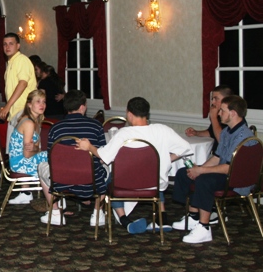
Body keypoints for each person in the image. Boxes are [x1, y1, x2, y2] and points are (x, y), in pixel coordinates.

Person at [75, 97, 192, 234]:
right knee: (154, 175)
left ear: (129, 114)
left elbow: (104, 156)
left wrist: (89, 147)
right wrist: (164, 159)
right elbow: (186, 148)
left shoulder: (124, 134)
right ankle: (162, 219)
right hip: (154, 184)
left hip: (126, 185)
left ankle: (124, 220)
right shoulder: (162, 130)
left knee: (112, 178)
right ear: (147, 113)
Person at [172, 95, 255, 244]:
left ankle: (204, 228)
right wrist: (199, 168)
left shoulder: (242, 136)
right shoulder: (227, 132)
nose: (218, 114)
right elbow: (217, 157)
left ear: (233, 113)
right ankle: (194, 216)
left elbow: (230, 168)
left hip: (238, 180)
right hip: (227, 173)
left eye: (222, 111)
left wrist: (201, 171)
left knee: (204, 180)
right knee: (184, 173)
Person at [37, 90, 107, 226]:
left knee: (41, 166)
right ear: (82, 107)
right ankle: (97, 213)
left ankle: (55, 213)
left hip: (61, 181)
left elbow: (51, 158)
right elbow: (102, 156)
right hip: (91, 182)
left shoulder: (55, 128)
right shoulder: (96, 126)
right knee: (107, 165)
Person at [7, 90, 47, 205]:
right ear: (29, 104)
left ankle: (26, 193)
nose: (42, 105)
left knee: (53, 156)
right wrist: (36, 149)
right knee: (54, 158)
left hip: (22, 159)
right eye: (38, 101)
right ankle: (57, 200)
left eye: (44, 102)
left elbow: (35, 148)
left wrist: (35, 149)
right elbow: (27, 154)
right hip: (19, 163)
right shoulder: (29, 123)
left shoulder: (36, 121)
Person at [0, 33, 36, 124]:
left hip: (24, 111)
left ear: (18, 46)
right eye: (5, 44)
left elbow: (23, 83)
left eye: (11, 44)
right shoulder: (11, 63)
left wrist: (7, 106)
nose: (7, 47)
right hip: (15, 112)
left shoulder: (21, 60)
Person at [185, 85, 233, 154]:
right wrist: (196, 132)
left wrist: (213, 118)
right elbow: (211, 132)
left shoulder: (232, 117)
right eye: (212, 99)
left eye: (216, 99)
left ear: (227, 100)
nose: (213, 102)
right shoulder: (219, 115)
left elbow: (222, 141)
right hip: (216, 154)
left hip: (225, 156)